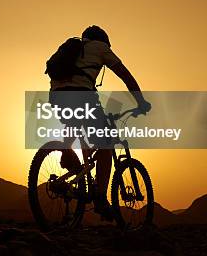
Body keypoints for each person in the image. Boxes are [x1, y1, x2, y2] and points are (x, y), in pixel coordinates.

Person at [50, 25, 151, 219]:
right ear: (103, 40)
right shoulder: (100, 48)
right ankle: (101, 198)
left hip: (56, 97)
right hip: (82, 96)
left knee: (74, 120)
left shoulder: (70, 49)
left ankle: (66, 152)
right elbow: (125, 75)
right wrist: (141, 102)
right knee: (106, 143)